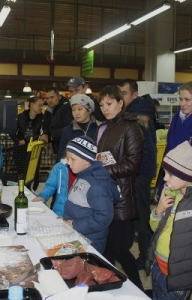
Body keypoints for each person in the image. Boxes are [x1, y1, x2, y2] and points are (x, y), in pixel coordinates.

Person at [96, 85, 145, 290]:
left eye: (109, 103)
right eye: (101, 104)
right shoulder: (106, 128)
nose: (105, 108)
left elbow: (133, 164)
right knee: (107, 248)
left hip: (122, 197)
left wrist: (102, 171)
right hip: (107, 195)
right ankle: (110, 287)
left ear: (120, 102)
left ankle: (138, 288)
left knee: (120, 249)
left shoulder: (130, 127)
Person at [118, 78, 157, 270]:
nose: (121, 97)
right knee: (135, 216)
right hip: (136, 171)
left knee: (141, 217)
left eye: (124, 93)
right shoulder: (133, 112)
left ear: (134, 95)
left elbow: (137, 148)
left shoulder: (138, 114)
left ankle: (146, 258)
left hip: (140, 172)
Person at [145, 141, 192, 300]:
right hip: (158, 265)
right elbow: (155, 228)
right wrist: (158, 211)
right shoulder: (172, 194)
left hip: (177, 277)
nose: (165, 178)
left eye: (170, 174)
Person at [62, 136, 120, 254]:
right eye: (68, 159)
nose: (69, 163)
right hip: (78, 236)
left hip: (90, 242)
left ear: (87, 160)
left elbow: (104, 216)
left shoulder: (96, 185)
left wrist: (75, 224)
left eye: (73, 159)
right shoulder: (83, 175)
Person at [10, 96, 47, 190]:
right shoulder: (20, 117)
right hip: (20, 151)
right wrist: (18, 141)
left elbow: (43, 135)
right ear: (32, 105)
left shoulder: (43, 119)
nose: (41, 107)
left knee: (33, 175)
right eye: (39, 105)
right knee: (21, 175)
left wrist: (27, 140)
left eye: (41, 105)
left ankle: (31, 190)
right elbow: (11, 131)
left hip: (34, 152)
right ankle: (22, 191)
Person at [57, 94, 98, 160]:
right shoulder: (67, 131)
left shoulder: (98, 129)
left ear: (88, 111)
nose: (76, 113)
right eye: (73, 110)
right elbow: (61, 156)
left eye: (80, 109)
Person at [43, 87, 70, 155]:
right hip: (57, 148)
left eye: (52, 97)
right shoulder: (48, 111)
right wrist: (45, 133)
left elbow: (67, 129)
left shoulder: (66, 108)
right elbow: (45, 125)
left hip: (67, 147)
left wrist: (50, 138)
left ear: (58, 96)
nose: (50, 100)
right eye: (47, 98)